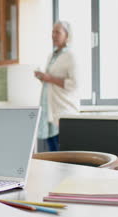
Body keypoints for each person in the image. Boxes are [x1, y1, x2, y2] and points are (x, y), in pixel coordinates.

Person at [34, 21, 79, 151]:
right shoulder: (51, 56)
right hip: (48, 112)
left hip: (62, 112)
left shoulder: (71, 56)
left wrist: (50, 78)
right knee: (53, 155)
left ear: (67, 35)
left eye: (57, 32)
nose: (53, 35)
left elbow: (75, 84)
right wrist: (42, 78)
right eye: (52, 32)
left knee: (62, 156)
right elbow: (51, 82)